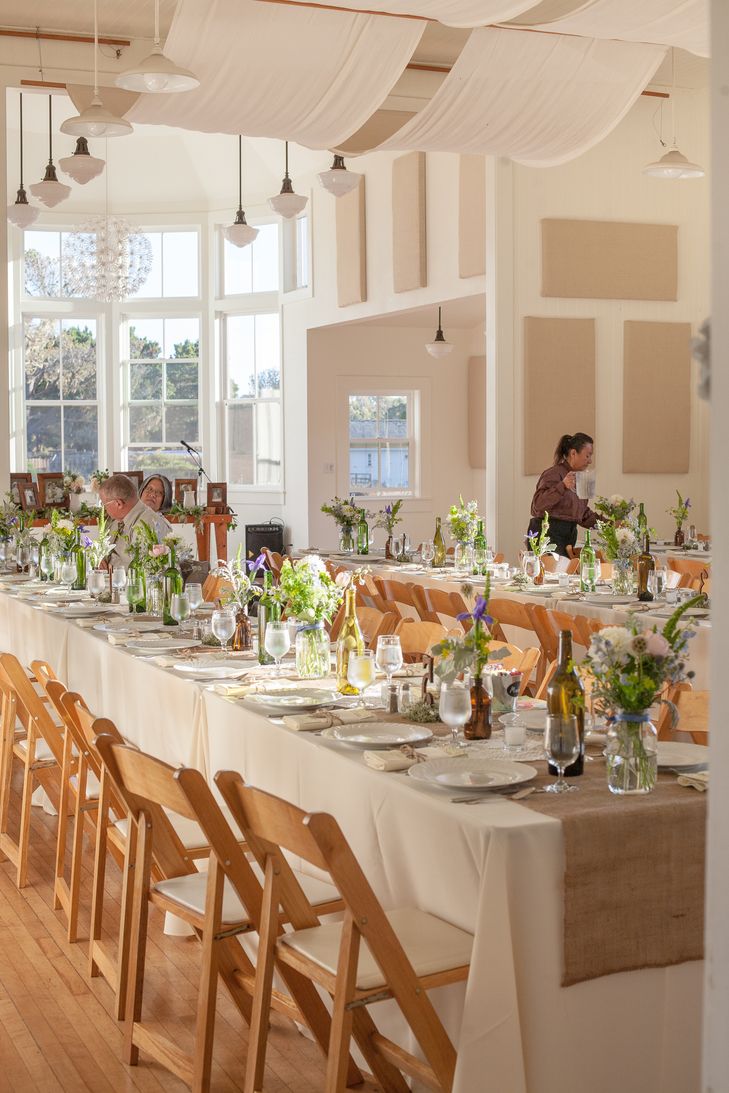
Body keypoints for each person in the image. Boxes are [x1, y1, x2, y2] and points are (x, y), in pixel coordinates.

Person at [528, 432, 598, 557]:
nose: (590, 461)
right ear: (573, 453)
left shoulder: (580, 478)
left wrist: (609, 525)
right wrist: (562, 486)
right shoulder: (554, 474)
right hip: (548, 536)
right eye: (587, 456)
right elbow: (538, 504)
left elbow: (583, 514)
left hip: (568, 538)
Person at [98, 473, 172, 569]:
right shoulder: (117, 521)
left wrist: (111, 565)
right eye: (149, 489)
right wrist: (102, 559)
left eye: (104, 504)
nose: (104, 508)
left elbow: (143, 570)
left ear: (118, 503)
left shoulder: (148, 525)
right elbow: (107, 550)